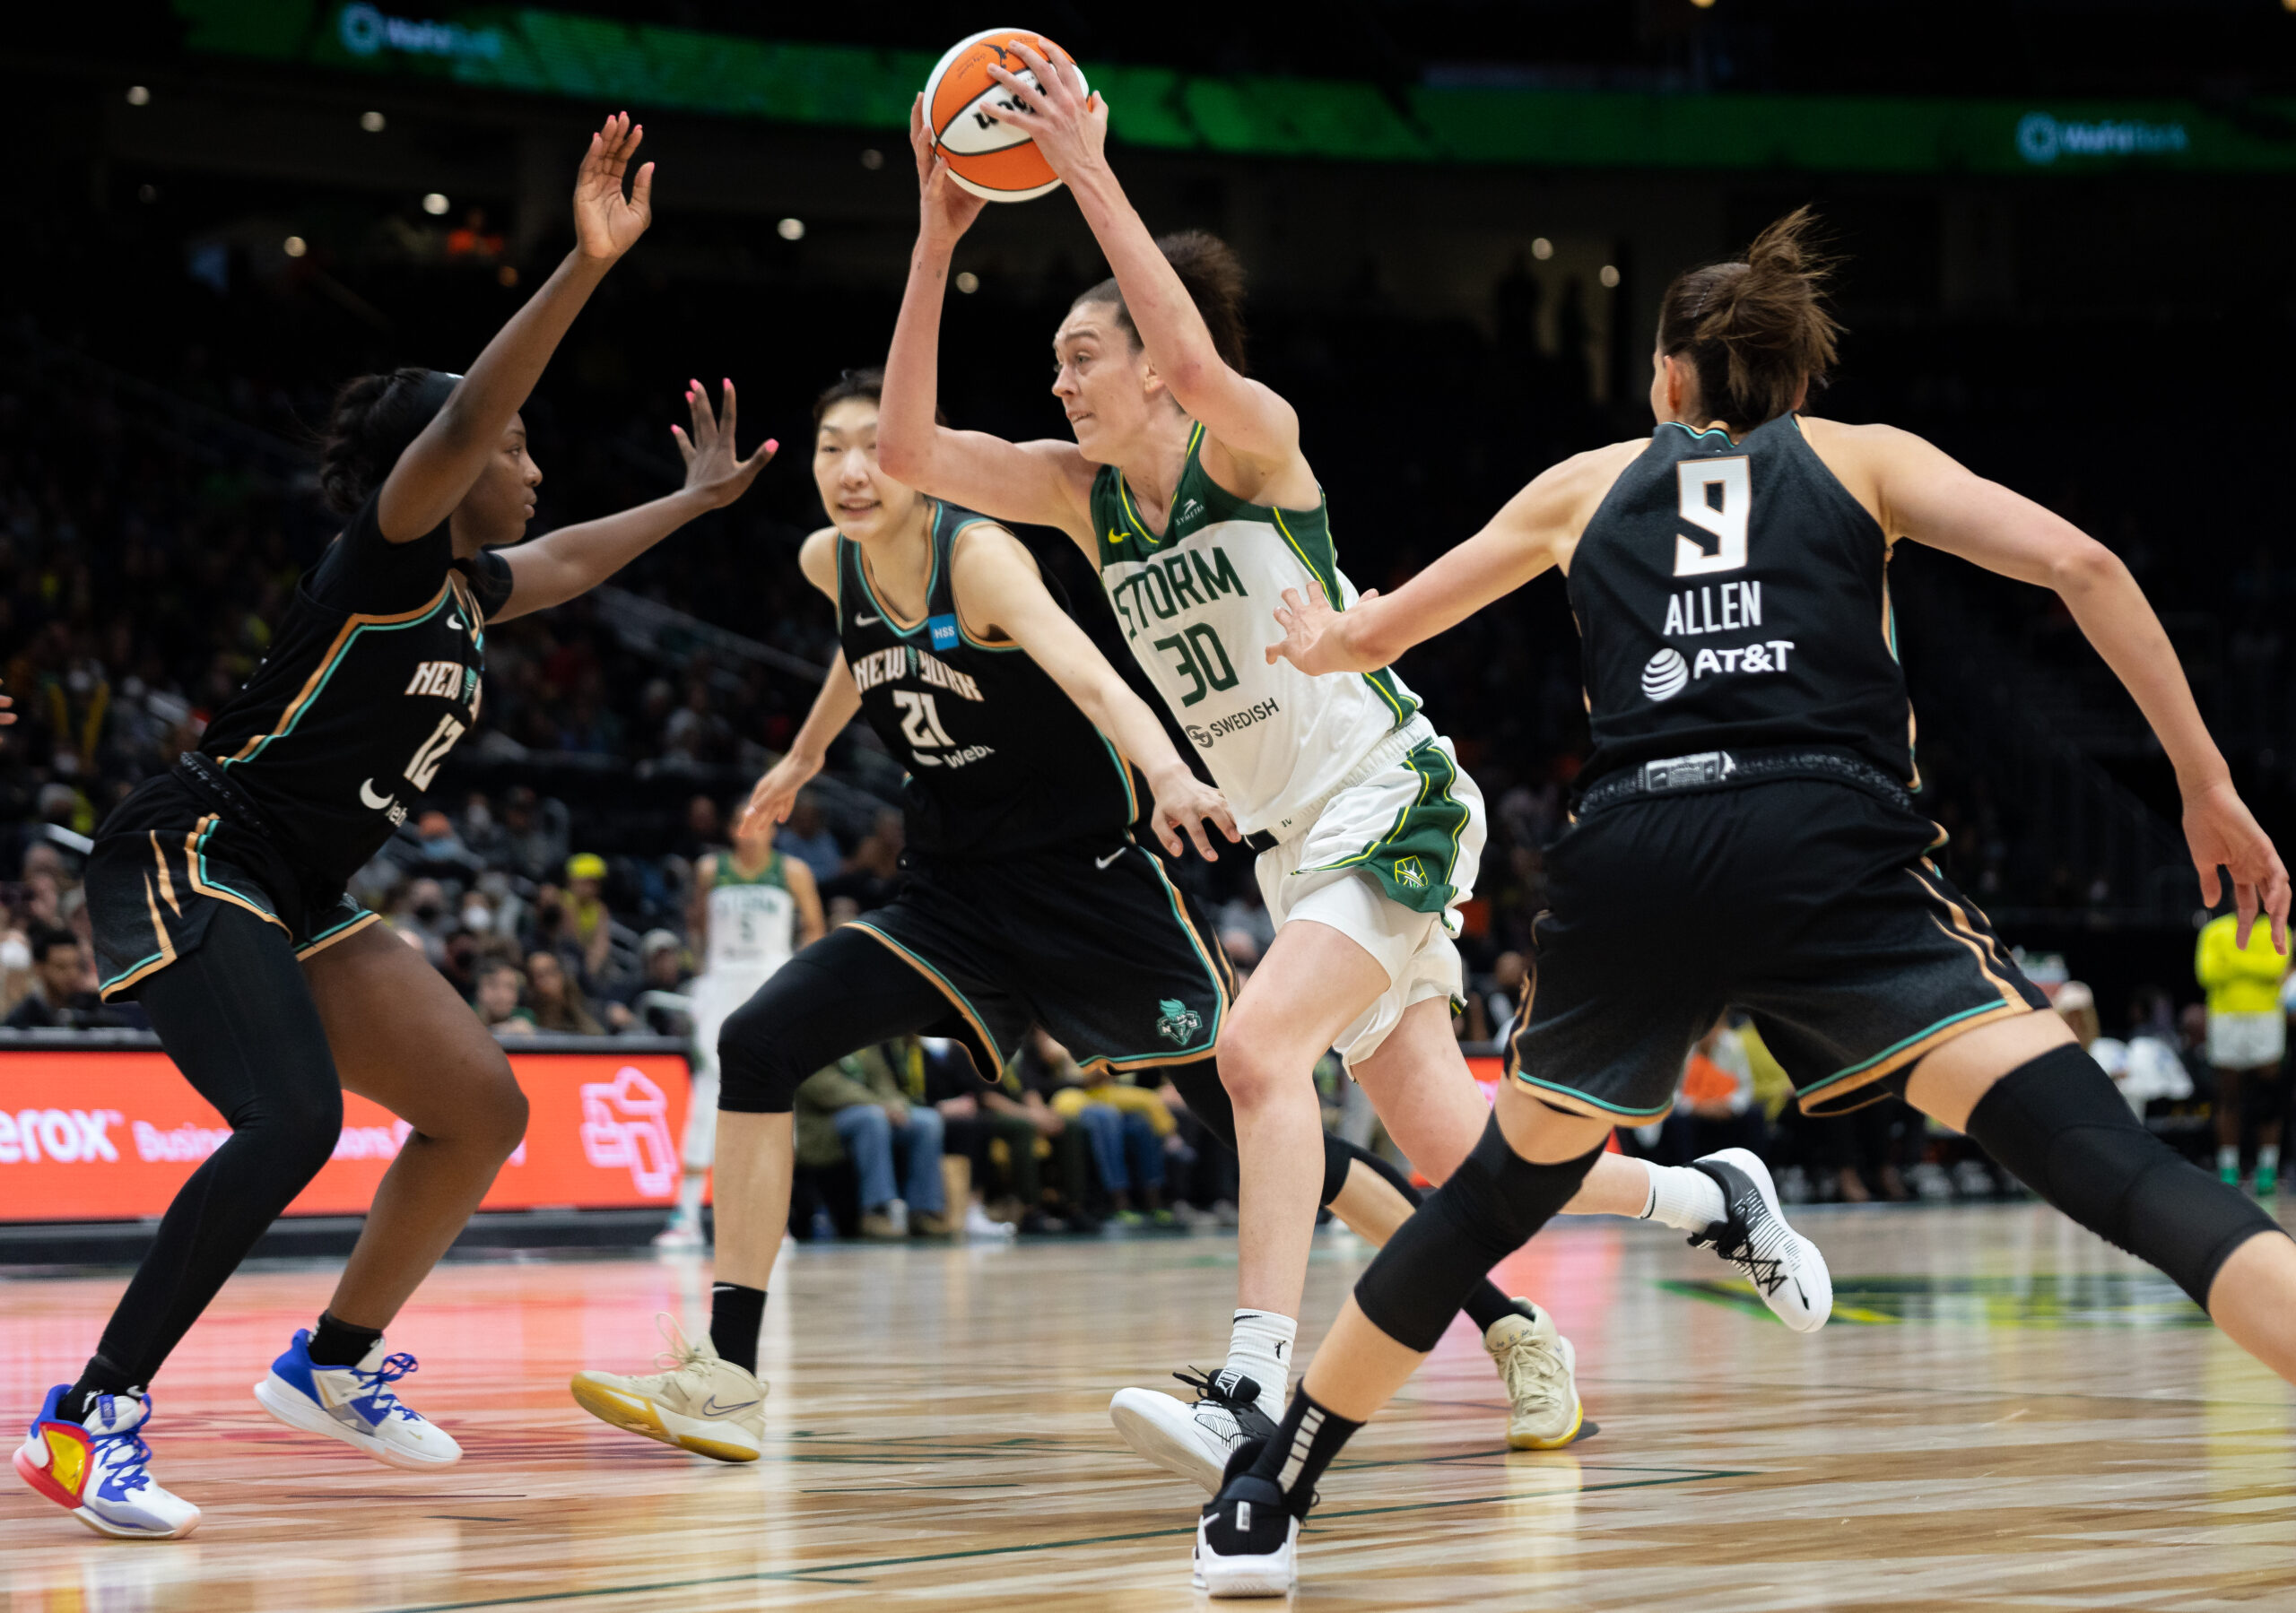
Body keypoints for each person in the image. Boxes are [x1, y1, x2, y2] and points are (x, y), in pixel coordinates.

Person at [1193, 206, 2296, 1596]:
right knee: (2117, 1169)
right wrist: (2204, 782)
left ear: (1666, 375)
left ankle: (1264, 1498)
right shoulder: (1865, 456)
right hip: (1826, 840)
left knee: (1484, 1201)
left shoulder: (1585, 482)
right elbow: (2088, 565)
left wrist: (1322, 634)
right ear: (1795, 382)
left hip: (1641, 850)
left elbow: (1376, 631)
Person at [877, 55, 1831, 1490]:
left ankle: (1251, 1387)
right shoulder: (1081, 499)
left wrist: (1085, 169)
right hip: (1295, 844)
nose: (1059, 382)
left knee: (1257, 1052)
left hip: (1389, 791)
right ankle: (1710, 1195)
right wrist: (935, 236)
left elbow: (1205, 367)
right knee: (1465, 1149)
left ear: (1151, 361)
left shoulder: (1252, 449)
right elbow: (904, 448)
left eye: (1083, 356)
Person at [565, 369, 1654, 1467]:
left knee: (1273, 1131)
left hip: (1094, 892)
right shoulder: (828, 560)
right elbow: (863, 650)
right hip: (952, 899)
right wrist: (805, 754)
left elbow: (1093, 680)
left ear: (908, 460)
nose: (852, 470)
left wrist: (1168, 773)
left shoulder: (979, 556)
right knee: (757, 1039)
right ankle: (729, 1376)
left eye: (869, 446)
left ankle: (1508, 1324)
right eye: (828, 450)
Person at [13, 114, 777, 1541]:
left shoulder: (469, 593)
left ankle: (334, 1360)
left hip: (300, 883)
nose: (531, 464)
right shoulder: (386, 549)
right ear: (444, 461)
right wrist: (586, 264)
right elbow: (472, 420)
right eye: (518, 446)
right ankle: (85, 1415)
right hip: (198, 847)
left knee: (482, 1106)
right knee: (294, 1119)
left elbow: (565, 559)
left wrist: (685, 502)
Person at [656, 806, 825, 1248]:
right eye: (742, 821)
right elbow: (697, 925)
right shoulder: (711, 870)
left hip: (772, 983)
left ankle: (774, 1221)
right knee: (707, 1091)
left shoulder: (793, 871)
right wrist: (705, 976)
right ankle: (686, 1218)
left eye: (760, 820)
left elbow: (815, 929)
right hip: (722, 983)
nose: (751, 829)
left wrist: (798, 980)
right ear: (731, 830)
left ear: (773, 829)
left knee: (775, 1093)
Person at [795, 1043, 948, 1237]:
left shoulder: (862, 1040)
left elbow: (882, 1080)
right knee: (872, 1119)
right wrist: (880, 1105)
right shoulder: (808, 1042)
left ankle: (924, 1211)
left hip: (873, 1112)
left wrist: (895, 1104)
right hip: (823, 1124)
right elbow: (826, 1089)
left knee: (928, 1121)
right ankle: (878, 1211)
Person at [2196, 904, 2292, 1192]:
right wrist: (2255, 964)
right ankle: (2228, 1168)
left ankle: (2267, 1169)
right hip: (2225, 1018)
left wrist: (2233, 961)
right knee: (2228, 1096)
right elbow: (2207, 973)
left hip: (2265, 1019)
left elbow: (2276, 968)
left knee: (2269, 1098)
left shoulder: (2278, 928)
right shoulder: (2214, 930)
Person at [3, 926, 101, 1030]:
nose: (72, 974)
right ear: (39, 968)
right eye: (61, 967)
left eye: (76, 965)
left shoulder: (92, 1008)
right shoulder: (22, 1020)